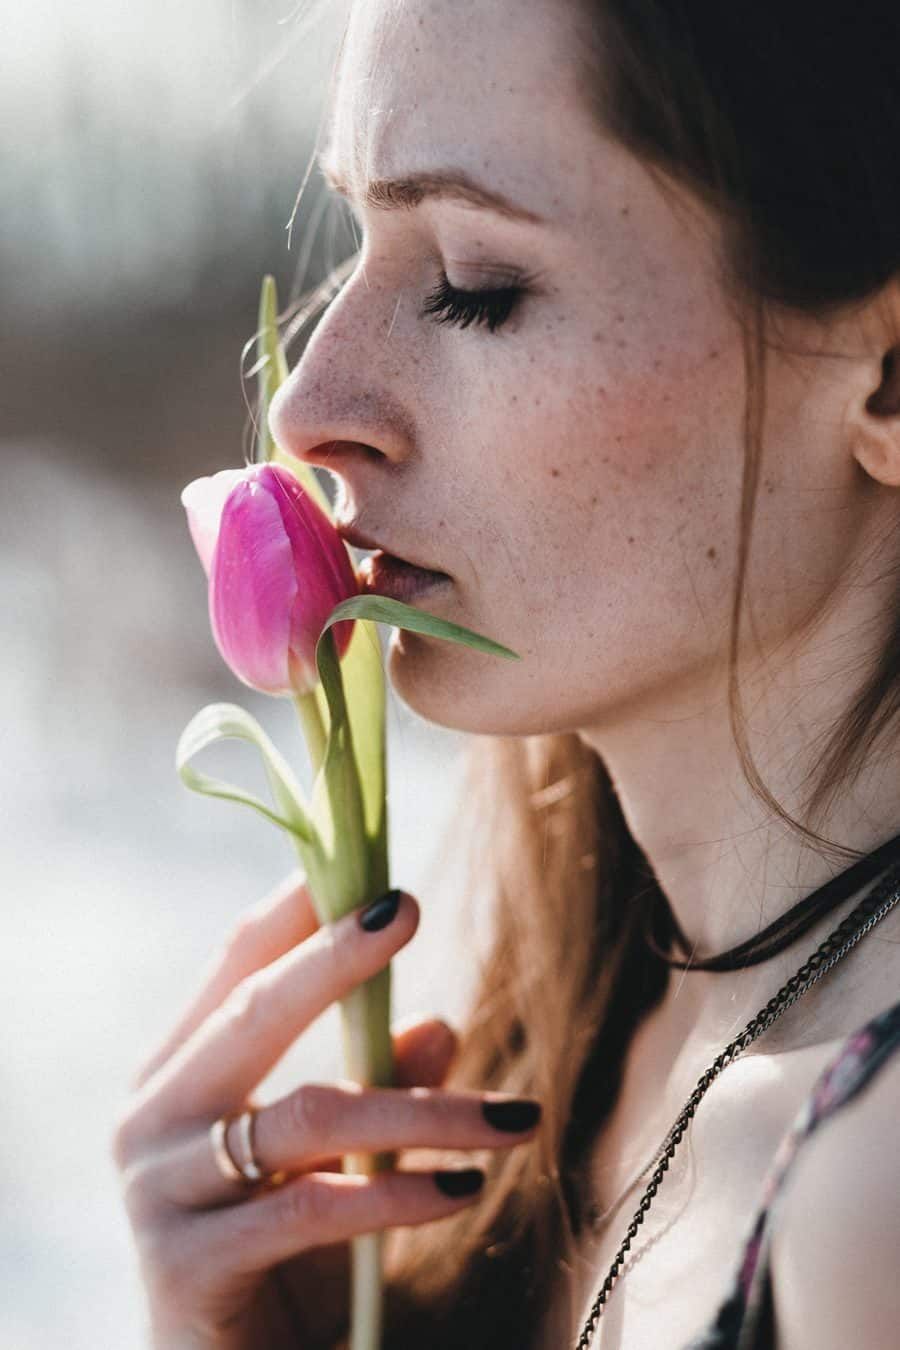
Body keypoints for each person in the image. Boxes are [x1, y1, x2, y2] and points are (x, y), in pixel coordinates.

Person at [111, 1, 900, 1346]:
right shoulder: (599, 1042)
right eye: (356, 242)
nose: (305, 402)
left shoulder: (864, 1200)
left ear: (882, 382)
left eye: (477, 281)